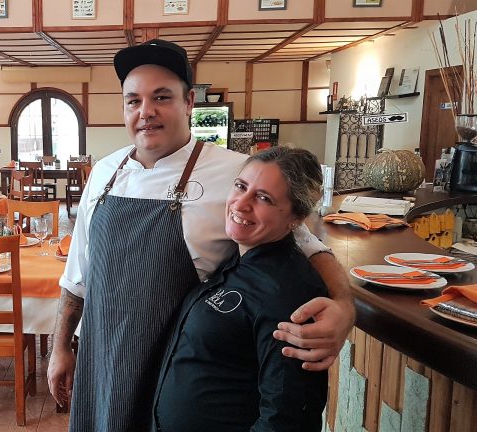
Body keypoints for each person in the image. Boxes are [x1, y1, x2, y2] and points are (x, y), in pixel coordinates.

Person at [48, 39, 355, 432]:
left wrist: (345, 307)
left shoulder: (234, 172)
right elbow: (77, 278)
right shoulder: (105, 173)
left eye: (162, 97)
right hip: (100, 364)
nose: (146, 113)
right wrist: (60, 349)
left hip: (169, 370)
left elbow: (310, 246)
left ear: (189, 101)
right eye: (133, 101)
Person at [152, 146, 329, 432]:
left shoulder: (289, 293)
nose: (241, 204)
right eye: (240, 186)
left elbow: (288, 416)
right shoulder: (236, 256)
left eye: (263, 198)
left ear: (296, 219)